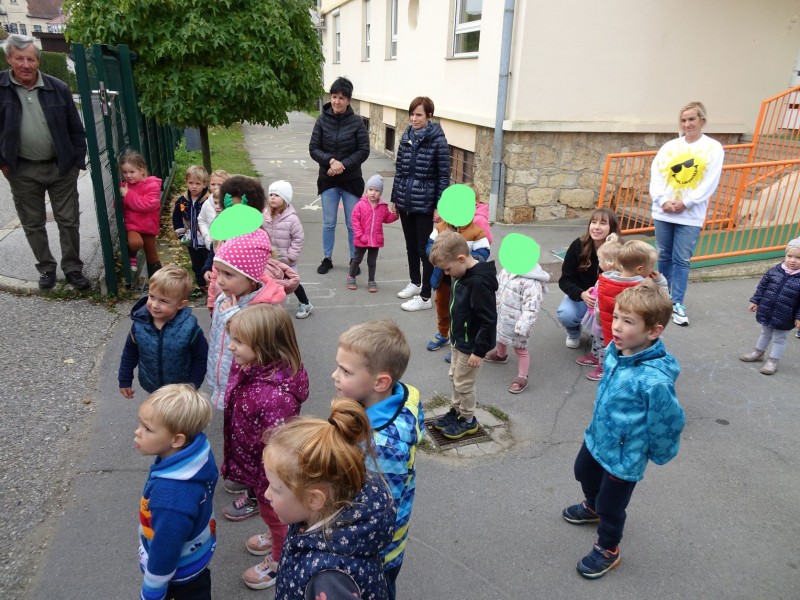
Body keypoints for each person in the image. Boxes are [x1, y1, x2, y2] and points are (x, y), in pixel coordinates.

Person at [562, 281, 685, 579]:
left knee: (612, 505)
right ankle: (592, 507)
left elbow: (668, 420)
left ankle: (608, 547)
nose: (616, 326)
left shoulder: (655, 381)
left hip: (626, 453)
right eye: (616, 316)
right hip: (598, 435)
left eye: (627, 321)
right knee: (582, 472)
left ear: (653, 331)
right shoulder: (617, 350)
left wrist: (660, 453)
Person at [262, 399, 396, 600]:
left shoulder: (329, 580)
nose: (266, 494)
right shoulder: (336, 505)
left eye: (275, 488)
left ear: (314, 499)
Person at [218, 305, 309, 590]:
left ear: (265, 346)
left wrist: (269, 479)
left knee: (276, 514)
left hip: (269, 473)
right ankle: (276, 535)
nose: (231, 346)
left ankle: (279, 560)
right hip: (255, 465)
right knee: (271, 514)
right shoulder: (252, 367)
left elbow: (279, 448)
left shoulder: (275, 397)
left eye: (239, 341)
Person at [333, 320, 423, 600]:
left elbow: (378, 511)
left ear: (380, 382)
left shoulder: (382, 447)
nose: (335, 375)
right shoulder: (401, 395)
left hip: (376, 554)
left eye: (345, 371)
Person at [0, 34, 90, 290]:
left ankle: (73, 268)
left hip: (61, 167)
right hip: (22, 169)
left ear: (38, 61)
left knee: (68, 220)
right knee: (33, 223)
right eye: (20, 59)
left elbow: (76, 128)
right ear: (9, 59)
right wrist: (4, 164)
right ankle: (46, 268)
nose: (26, 65)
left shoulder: (57, 88)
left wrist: (76, 162)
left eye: (31, 59)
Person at [134, 384, 218, 600]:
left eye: (147, 429)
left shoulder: (171, 498)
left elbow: (165, 551)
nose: (137, 432)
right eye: (140, 424)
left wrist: (152, 593)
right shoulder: (197, 455)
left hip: (179, 576)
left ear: (177, 440)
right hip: (197, 556)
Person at [650, 101, 724, 327]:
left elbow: (710, 182)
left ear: (702, 120)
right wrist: (663, 201)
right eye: (683, 120)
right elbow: (657, 175)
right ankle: (661, 299)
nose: (687, 124)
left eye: (692, 119)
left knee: (681, 259)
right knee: (663, 256)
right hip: (664, 213)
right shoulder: (669, 147)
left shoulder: (713, 148)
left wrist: (686, 202)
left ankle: (677, 302)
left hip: (690, 215)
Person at [206, 226, 286, 412]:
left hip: (248, 386)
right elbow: (216, 338)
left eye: (228, 274)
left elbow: (259, 348)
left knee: (243, 421)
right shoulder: (224, 298)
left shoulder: (265, 309)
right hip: (222, 374)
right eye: (219, 272)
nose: (220, 281)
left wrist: (232, 316)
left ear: (251, 278)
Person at [429, 232, 498, 439]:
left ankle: (468, 420)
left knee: (464, 383)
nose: (447, 274)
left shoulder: (478, 282)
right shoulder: (461, 274)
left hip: (471, 346)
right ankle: (457, 411)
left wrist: (479, 351)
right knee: (455, 377)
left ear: (461, 258)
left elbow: (489, 320)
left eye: (447, 269)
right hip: (459, 340)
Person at [391, 96, 451, 312]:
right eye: (412, 114)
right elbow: (399, 170)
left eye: (419, 115)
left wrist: (439, 205)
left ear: (429, 116)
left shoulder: (438, 140)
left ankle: (425, 296)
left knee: (425, 249)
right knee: (410, 246)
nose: (414, 119)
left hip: (425, 202)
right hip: (405, 200)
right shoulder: (406, 136)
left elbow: (443, 176)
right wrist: (395, 198)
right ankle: (415, 283)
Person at [309, 77, 370, 275]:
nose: (336, 101)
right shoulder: (322, 120)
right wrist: (330, 161)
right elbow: (313, 148)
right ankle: (327, 258)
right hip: (328, 181)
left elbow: (363, 151)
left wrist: (342, 165)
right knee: (329, 223)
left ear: (349, 100)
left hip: (351, 182)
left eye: (341, 98)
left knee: (353, 224)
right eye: (334, 97)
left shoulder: (357, 122)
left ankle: (354, 259)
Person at [118, 264, 208, 398]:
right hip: (152, 386)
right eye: (152, 296)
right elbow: (130, 353)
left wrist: (193, 385)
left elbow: (201, 358)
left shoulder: (189, 329)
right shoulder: (140, 325)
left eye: (163, 301)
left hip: (181, 391)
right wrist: (125, 379)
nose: (155, 305)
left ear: (180, 304)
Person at [586, 239, 668, 381]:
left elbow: (598, 310)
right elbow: (662, 303)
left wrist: (602, 323)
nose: (652, 269)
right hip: (634, 335)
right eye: (651, 265)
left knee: (610, 354)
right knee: (630, 359)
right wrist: (660, 282)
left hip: (608, 330)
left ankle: (606, 370)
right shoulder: (643, 287)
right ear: (639, 269)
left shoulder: (604, 281)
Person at [426, 186, 492, 363]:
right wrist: (436, 255)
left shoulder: (476, 231)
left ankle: (459, 343)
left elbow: (484, 252)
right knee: (442, 306)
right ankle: (443, 333)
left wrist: (468, 260)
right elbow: (429, 244)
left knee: (462, 313)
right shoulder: (441, 227)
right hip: (443, 279)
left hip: (464, 280)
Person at [556, 208, 620, 349]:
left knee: (615, 323)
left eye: (603, 223)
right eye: (593, 222)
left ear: (612, 228)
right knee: (566, 314)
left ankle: (608, 341)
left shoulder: (620, 250)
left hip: (609, 300)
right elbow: (565, 280)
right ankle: (574, 333)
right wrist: (581, 294)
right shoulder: (578, 245)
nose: (596, 227)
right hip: (584, 297)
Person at [483, 262, 550, 394]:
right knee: (500, 335)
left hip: (518, 323)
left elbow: (532, 308)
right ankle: (501, 355)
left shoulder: (531, 282)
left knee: (520, 349)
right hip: (502, 314)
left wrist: (524, 325)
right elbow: (497, 288)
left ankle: (522, 377)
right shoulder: (506, 271)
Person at [739, 237, 800, 375]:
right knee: (765, 332)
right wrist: (756, 301)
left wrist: (798, 317)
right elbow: (762, 287)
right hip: (768, 310)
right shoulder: (774, 271)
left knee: (779, 338)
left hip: (786, 315)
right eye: (789, 256)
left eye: (798, 258)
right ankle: (758, 352)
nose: (792, 260)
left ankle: (773, 361)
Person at [263, 179, 314, 319]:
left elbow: (298, 238)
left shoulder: (292, 219)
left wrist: (291, 255)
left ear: (285, 199)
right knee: (270, 282)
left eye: (277, 195)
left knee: (293, 282)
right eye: (271, 194)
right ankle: (272, 308)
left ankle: (305, 303)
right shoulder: (264, 214)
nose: (272, 197)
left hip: (287, 259)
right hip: (269, 259)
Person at [577, 234, 623, 375]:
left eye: (600, 260)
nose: (598, 263)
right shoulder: (606, 277)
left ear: (609, 263)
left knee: (604, 342)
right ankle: (595, 356)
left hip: (604, 319)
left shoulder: (615, 281)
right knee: (595, 338)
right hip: (597, 315)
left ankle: (603, 367)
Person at [348, 174, 399, 292]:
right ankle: (351, 277)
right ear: (366, 191)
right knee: (357, 259)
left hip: (375, 239)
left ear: (380, 193)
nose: (373, 193)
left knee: (372, 262)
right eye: (371, 189)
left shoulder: (382, 207)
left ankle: (371, 280)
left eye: (377, 191)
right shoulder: (360, 205)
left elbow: (386, 218)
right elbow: (355, 221)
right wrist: (360, 235)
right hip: (362, 239)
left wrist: (395, 216)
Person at [118, 150, 162, 277]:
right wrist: (120, 199)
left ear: (142, 170)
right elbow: (118, 206)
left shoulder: (152, 185)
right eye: (125, 172)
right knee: (136, 243)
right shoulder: (124, 187)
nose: (128, 175)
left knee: (152, 257)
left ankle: (158, 279)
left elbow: (147, 205)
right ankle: (131, 254)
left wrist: (128, 195)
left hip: (148, 227)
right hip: (133, 225)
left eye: (132, 172)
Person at [172, 165, 211, 293]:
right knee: (196, 264)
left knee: (209, 263)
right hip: (191, 239)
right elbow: (176, 217)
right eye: (191, 183)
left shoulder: (209, 200)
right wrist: (180, 233)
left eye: (198, 183)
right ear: (186, 182)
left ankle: (211, 284)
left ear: (204, 184)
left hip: (207, 240)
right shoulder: (182, 201)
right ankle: (201, 285)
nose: (194, 186)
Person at [198, 169, 230, 250]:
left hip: (227, 247)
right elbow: (201, 220)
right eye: (213, 184)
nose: (216, 187)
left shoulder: (230, 204)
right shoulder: (207, 203)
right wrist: (207, 235)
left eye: (220, 184)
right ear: (209, 185)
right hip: (211, 245)